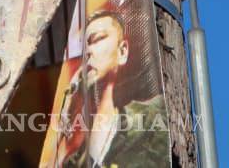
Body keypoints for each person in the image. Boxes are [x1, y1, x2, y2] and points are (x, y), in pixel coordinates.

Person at [58, 10, 168, 167]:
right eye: (84, 47)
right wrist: (69, 114)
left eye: (97, 39)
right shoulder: (75, 158)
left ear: (122, 51)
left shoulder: (151, 116)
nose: (87, 52)